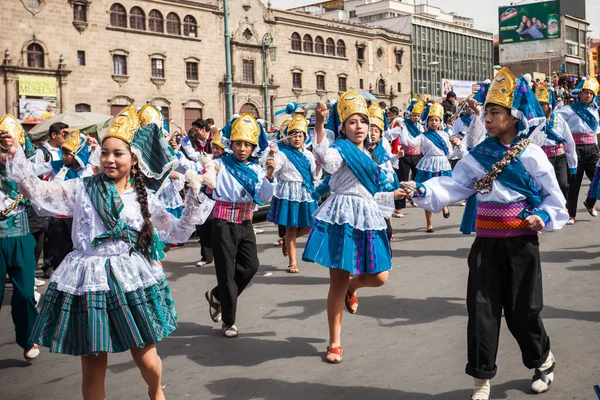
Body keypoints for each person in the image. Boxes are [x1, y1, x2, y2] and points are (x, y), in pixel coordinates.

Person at [1, 106, 215, 400]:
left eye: (118, 153)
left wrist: (192, 196)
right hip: (88, 280)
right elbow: (37, 191)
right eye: (105, 153)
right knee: (92, 365)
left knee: (147, 358)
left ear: (134, 160)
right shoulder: (82, 188)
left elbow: (176, 232)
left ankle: (156, 392)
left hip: (129, 278)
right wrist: (14, 152)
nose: (109, 159)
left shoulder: (144, 199)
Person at [404, 67, 567, 400]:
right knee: (482, 311)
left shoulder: (532, 154)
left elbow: (555, 198)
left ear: (513, 116)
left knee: (524, 312)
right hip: (486, 244)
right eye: (487, 112)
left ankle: (542, 359)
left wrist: (543, 215)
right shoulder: (478, 156)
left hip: (521, 243)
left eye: (495, 112)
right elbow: (454, 186)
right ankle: (481, 380)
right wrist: (422, 189)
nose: (488, 118)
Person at [302, 91, 406, 364]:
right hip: (341, 217)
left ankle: (353, 287)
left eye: (363, 121)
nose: (359, 127)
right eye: (352, 122)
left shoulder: (370, 156)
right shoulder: (339, 149)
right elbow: (329, 162)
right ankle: (334, 342)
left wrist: (394, 196)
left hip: (368, 217)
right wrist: (320, 124)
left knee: (380, 276)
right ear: (343, 127)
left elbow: (369, 194)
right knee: (336, 281)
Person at [204, 113, 276, 338]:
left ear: (253, 147)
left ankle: (216, 296)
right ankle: (228, 320)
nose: (242, 149)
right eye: (238, 144)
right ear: (230, 144)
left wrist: (270, 175)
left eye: (247, 145)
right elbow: (205, 188)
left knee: (251, 265)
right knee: (226, 272)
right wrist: (204, 179)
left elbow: (263, 197)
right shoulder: (217, 165)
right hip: (223, 222)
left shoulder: (255, 169)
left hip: (245, 222)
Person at [0, 114, 40, 362]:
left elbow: (33, 162)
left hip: (20, 235)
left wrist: (17, 148)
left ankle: (27, 339)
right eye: (1, 150)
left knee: (25, 294)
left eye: (8, 150)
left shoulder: (23, 170)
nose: (4, 155)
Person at [389, 103, 463, 232]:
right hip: (428, 165)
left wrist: (458, 147)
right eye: (431, 120)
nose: (434, 123)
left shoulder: (445, 136)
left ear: (440, 121)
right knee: (426, 193)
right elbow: (409, 142)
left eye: (436, 120)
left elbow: (450, 154)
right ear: (427, 121)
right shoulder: (423, 136)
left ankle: (444, 205)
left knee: (443, 189)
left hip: (443, 164)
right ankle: (429, 224)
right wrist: (403, 129)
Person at [267, 115, 320, 273]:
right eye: (294, 135)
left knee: (311, 225)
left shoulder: (309, 155)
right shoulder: (282, 154)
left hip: (305, 192)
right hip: (289, 192)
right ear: (288, 137)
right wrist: (270, 161)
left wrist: (318, 167)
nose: (297, 138)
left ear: (305, 137)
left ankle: (286, 240)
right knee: (291, 228)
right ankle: (292, 262)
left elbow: (315, 176)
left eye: (300, 135)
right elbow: (274, 170)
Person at [555, 77, 600, 223]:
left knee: (597, 178)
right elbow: (555, 122)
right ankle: (571, 214)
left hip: (592, 148)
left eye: (591, 94)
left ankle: (590, 202)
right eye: (585, 92)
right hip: (576, 148)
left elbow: (597, 132)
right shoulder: (568, 110)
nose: (588, 96)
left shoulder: (595, 111)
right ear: (579, 93)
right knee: (574, 182)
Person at [532, 85, 577, 200]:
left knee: (563, 185)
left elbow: (569, 142)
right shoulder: (532, 122)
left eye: (543, 104)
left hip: (559, 157)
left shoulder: (559, 120)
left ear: (549, 105)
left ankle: (563, 209)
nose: (540, 107)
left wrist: (572, 162)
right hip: (542, 158)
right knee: (544, 187)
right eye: (538, 104)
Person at [367, 104, 399, 242]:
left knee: (386, 227)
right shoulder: (359, 150)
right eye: (370, 130)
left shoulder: (382, 147)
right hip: (366, 193)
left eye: (376, 130)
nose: (372, 133)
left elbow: (388, 167)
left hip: (381, 190)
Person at [389, 99, 424, 215]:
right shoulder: (404, 124)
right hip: (404, 155)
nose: (416, 118)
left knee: (417, 178)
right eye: (414, 115)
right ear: (410, 115)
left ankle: (415, 197)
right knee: (402, 179)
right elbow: (402, 139)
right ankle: (398, 207)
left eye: (418, 116)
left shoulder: (420, 127)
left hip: (417, 155)